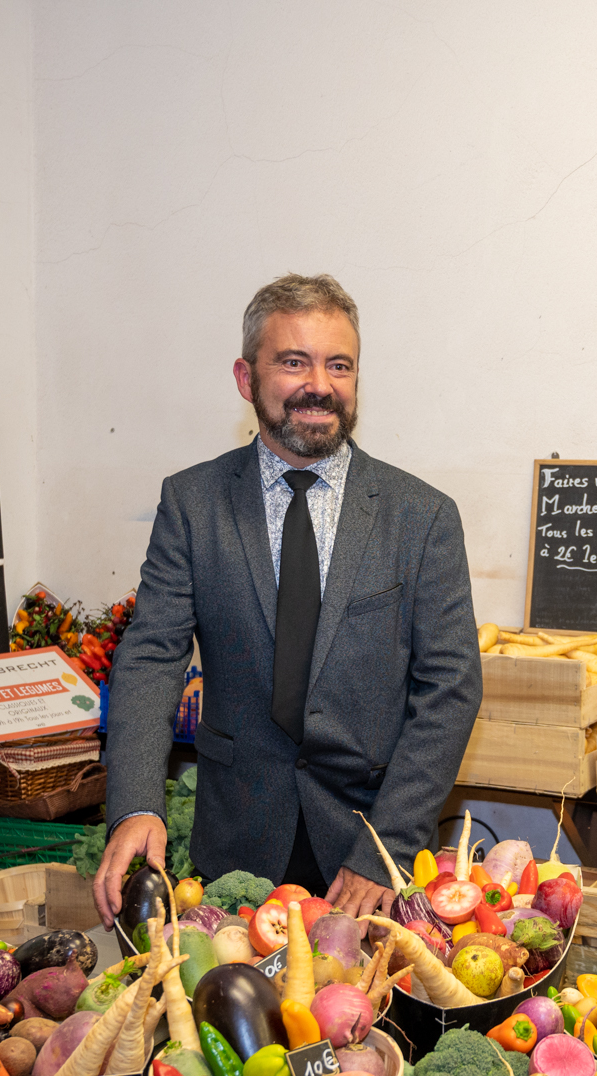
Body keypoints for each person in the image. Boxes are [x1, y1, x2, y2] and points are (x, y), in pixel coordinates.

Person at [93, 274, 482, 924]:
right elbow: (152, 656)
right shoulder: (193, 503)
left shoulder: (422, 517)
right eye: (294, 362)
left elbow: (451, 687)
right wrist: (135, 804)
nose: (319, 385)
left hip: (372, 853)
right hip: (236, 846)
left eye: (339, 365)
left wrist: (387, 843)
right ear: (246, 378)